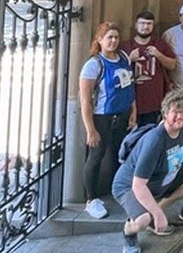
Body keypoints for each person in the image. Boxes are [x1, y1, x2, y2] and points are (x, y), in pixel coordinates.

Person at [115, 90, 183, 253]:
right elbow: (138, 185)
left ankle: (153, 213)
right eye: (175, 112)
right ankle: (130, 233)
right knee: (141, 220)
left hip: (160, 178)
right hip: (129, 185)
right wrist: (158, 215)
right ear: (165, 113)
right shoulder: (155, 140)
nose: (179, 116)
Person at [79, 21, 136, 219]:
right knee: (96, 156)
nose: (113, 41)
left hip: (122, 114)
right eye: (109, 37)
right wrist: (90, 129)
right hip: (102, 117)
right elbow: (85, 100)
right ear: (100, 40)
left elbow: (130, 86)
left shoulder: (123, 57)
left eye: (116, 37)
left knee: (120, 153)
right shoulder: (94, 64)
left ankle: (119, 189)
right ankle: (91, 198)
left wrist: (133, 111)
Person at [122, 11, 177, 126]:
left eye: (149, 24)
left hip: (154, 102)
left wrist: (159, 55)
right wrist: (129, 59)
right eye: (142, 23)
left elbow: (172, 65)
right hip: (131, 102)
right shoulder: (126, 46)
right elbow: (116, 71)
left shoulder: (160, 44)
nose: (145, 27)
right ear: (136, 25)